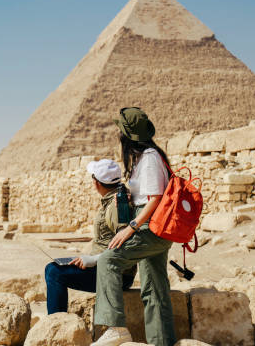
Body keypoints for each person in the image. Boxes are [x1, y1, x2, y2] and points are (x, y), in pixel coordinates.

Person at [92, 107, 175, 346]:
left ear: (126, 136)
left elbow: (155, 198)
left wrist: (131, 227)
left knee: (109, 260)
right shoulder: (146, 158)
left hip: (149, 226)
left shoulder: (149, 158)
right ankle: (163, 342)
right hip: (152, 226)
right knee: (154, 289)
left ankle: (115, 327)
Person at [44, 159, 136, 315]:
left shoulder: (117, 206)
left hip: (114, 274)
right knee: (53, 268)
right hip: (104, 267)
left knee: (54, 273)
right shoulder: (114, 199)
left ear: (96, 183)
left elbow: (127, 246)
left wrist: (93, 260)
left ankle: (56, 323)